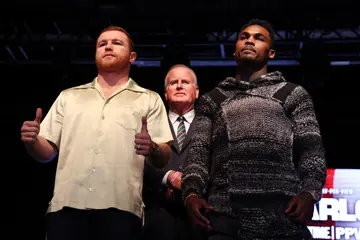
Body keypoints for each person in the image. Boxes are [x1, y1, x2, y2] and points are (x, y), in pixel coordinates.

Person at [20, 25, 173, 240]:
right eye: (102, 44)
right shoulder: (69, 96)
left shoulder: (149, 98)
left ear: (132, 56)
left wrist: (153, 147)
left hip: (121, 209)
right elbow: (46, 153)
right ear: (95, 54)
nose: (108, 46)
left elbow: (163, 157)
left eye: (116, 43)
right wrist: (32, 141)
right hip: (66, 208)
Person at [181, 19, 327, 240]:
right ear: (235, 51)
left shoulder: (292, 94)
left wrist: (310, 192)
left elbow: (311, 150)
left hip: (283, 214)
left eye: (259, 38)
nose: (250, 40)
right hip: (225, 216)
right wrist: (191, 194)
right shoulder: (212, 100)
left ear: (271, 53)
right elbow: (198, 154)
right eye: (244, 37)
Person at [142, 64, 203, 240]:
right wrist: (167, 177)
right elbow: (135, 161)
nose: (179, 85)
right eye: (173, 83)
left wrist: (191, 184)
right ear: (166, 93)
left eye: (185, 82)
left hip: (199, 217)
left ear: (196, 91)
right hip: (157, 215)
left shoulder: (211, 124)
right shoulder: (150, 124)